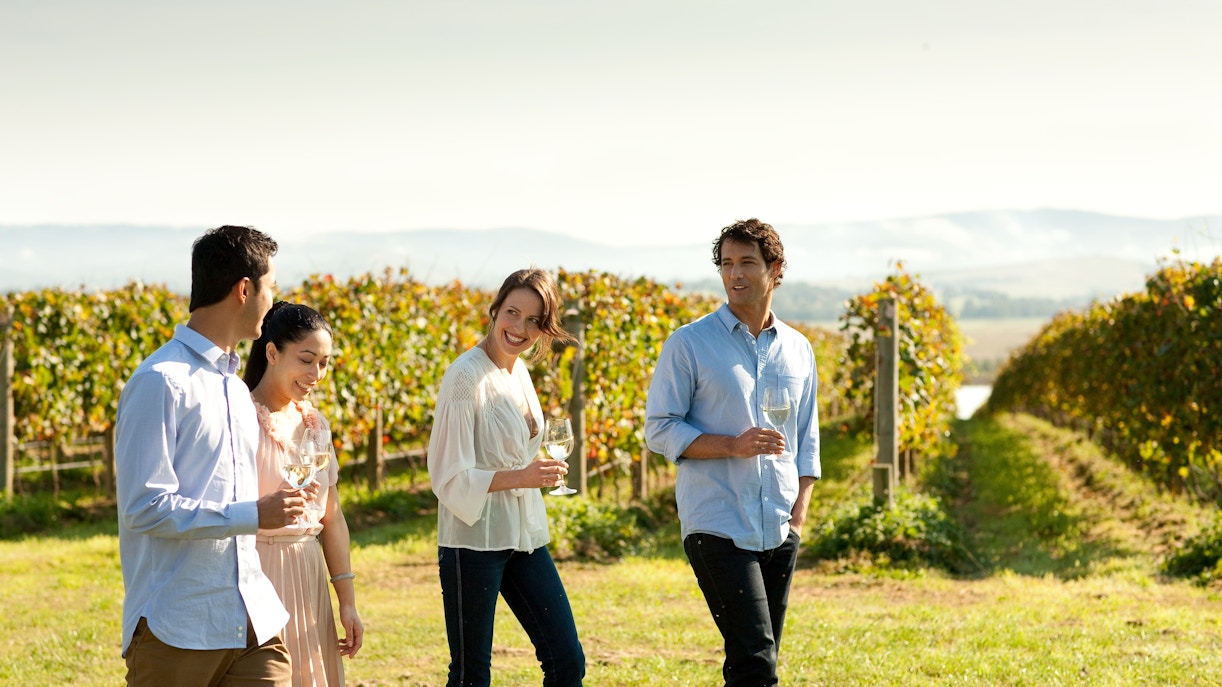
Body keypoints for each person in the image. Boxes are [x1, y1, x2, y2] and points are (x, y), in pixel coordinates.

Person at [116, 225, 311, 686]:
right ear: (245, 289)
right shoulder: (160, 382)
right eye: (272, 289)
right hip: (177, 627)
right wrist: (253, 514)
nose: (273, 302)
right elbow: (145, 507)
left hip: (254, 619)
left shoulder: (234, 388)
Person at [645, 218, 820, 687]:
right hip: (716, 524)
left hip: (779, 528)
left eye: (747, 263)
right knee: (756, 660)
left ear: (775, 269)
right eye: (726, 264)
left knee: (754, 661)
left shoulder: (799, 350)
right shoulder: (689, 344)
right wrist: (733, 445)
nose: (735, 274)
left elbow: (808, 442)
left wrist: (797, 522)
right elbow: (659, 429)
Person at [427, 267, 586, 687]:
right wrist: (522, 476)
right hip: (472, 541)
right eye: (512, 312)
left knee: (567, 661)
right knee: (471, 675)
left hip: (525, 537)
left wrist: (531, 474)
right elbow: (447, 476)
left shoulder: (519, 372)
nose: (519, 327)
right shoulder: (464, 377)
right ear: (495, 310)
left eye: (533, 320)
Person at [244, 301, 364, 686]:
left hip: (308, 576)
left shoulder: (315, 424)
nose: (316, 374)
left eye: (324, 363)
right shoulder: (239, 418)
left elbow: (332, 518)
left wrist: (346, 601)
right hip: (256, 577)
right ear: (273, 352)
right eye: (307, 359)